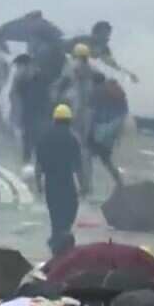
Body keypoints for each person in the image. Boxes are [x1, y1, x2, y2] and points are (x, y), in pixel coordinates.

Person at [36, 104, 83, 257]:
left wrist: (38, 183)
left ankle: (56, 243)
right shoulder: (73, 138)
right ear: (69, 120)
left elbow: (39, 163)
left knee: (55, 215)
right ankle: (62, 240)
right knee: (69, 211)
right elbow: (79, 166)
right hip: (67, 182)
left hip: (51, 182)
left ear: (54, 120)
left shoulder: (44, 137)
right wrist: (82, 185)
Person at [54, 43, 97, 196]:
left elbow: (61, 83)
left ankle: (75, 183)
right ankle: (87, 185)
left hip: (75, 111)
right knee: (86, 150)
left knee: (72, 147)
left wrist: (54, 94)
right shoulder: (92, 69)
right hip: (89, 113)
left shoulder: (72, 67)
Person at [87, 72, 128, 189]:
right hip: (110, 133)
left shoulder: (95, 92)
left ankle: (87, 186)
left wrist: (88, 130)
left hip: (97, 131)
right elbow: (122, 114)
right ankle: (120, 183)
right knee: (106, 160)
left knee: (86, 157)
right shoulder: (116, 93)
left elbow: (92, 114)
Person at [9, 54, 52, 165]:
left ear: (27, 65)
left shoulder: (41, 77)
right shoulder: (20, 80)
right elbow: (14, 97)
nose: (18, 70)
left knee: (39, 145)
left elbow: (46, 98)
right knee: (26, 145)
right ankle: (28, 167)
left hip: (40, 117)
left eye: (19, 67)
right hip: (27, 117)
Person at [66, 20, 138, 84]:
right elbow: (65, 50)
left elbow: (113, 64)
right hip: (68, 69)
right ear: (95, 33)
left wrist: (129, 74)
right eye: (104, 34)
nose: (107, 38)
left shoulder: (104, 48)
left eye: (108, 35)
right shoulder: (81, 40)